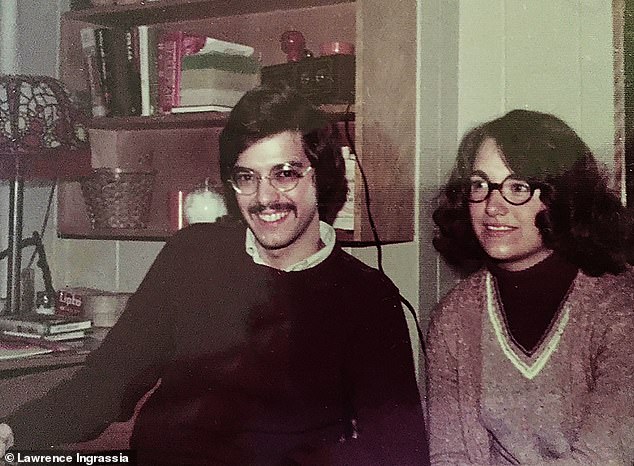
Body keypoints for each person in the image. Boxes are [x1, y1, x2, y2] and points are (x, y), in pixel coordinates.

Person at [0, 86, 429, 465]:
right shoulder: (191, 256)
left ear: (324, 177)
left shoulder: (367, 298)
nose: (265, 198)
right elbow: (103, 386)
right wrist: (12, 434)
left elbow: (397, 450)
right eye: (247, 177)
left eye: (285, 174)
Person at [427, 109, 634, 464]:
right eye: (480, 185)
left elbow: (603, 459)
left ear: (560, 196)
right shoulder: (454, 317)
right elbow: (451, 455)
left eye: (518, 187)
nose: (493, 206)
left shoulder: (619, 311)